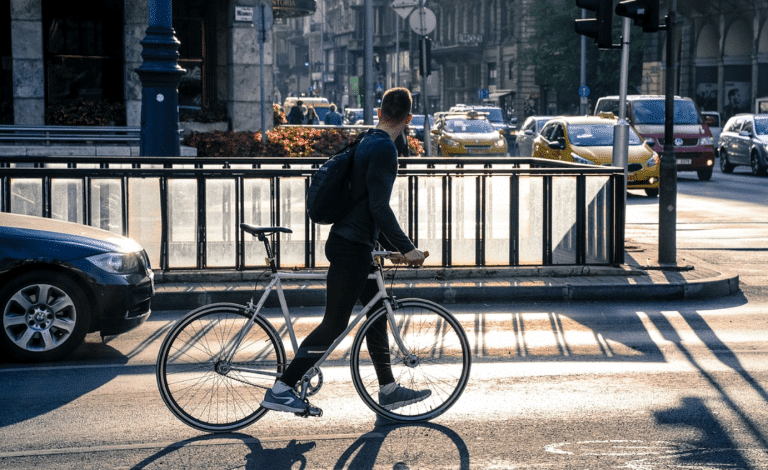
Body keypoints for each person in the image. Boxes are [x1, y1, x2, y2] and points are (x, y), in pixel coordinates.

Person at [260, 87, 428, 415]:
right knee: (334, 324)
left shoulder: (368, 140)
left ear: (380, 112)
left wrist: (383, 248)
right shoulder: (384, 150)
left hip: (357, 244)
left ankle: (388, 389)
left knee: (377, 315)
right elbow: (379, 206)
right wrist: (406, 248)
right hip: (351, 247)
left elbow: (363, 204)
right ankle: (282, 388)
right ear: (408, 119)